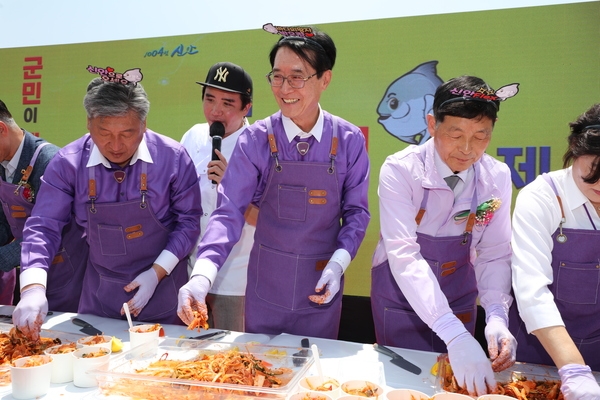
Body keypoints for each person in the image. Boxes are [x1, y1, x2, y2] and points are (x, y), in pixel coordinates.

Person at [177, 27, 370, 339]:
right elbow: (228, 213)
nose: (284, 87)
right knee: (259, 371)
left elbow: (357, 214)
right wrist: (201, 275)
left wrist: (338, 263)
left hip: (322, 282)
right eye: (277, 76)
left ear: (324, 79)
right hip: (265, 286)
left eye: (297, 76)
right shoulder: (255, 140)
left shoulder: (348, 140)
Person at [12, 77, 202, 339]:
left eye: (127, 133)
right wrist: (32, 288)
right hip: (100, 299)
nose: (116, 146)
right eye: (104, 134)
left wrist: (156, 273)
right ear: (89, 123)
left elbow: (189, 222)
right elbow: (43, 226)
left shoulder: (173, 158)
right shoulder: (68, 163)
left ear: (144, 124)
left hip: (163, 293)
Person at [371, 76, 518, 396]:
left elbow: (494, 252)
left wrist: (495, 314)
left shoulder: (497, 177)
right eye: (456, 134)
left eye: (481, 136)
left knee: (453, 389)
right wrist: (454, 333)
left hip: (459, 294)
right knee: (405, 388)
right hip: (401, 300)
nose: (468, 149)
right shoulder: (400, 170)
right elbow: (404, 254)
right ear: (431, 124)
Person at [509, 104, 600, 399]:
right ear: (575, 150)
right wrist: (573, 368)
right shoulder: (542, 197)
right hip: (536, 351)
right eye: (593, 172)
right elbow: (531, 290)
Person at [180, 62, 256, 331]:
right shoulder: (193, 136)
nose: (215, 110)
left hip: (238, 280)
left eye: (227, 103)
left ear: (246, 107)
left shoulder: (260, 144)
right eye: (209, 99)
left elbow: (268, 219)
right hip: (192, 272)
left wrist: (231, 185)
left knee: (233, 362)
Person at [0, 100, 87, 311]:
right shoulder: (2, 162)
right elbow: (3, 222)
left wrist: (3, 258)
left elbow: (48, 229)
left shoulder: (51, 162)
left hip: (66, 270)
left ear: (1, 128)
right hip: (30, 268)